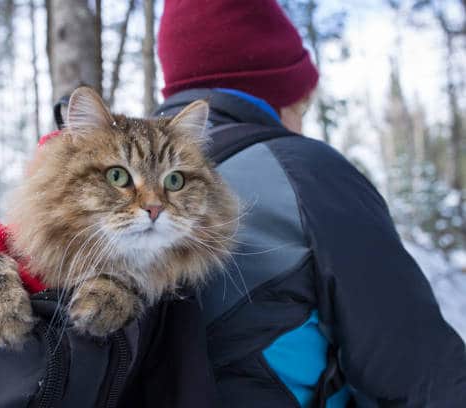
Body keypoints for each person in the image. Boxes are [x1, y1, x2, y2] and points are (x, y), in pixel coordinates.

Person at [152, 0, 466, 406]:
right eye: (302, 106)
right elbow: (421, 374)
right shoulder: (306, 174)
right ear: (274, 93)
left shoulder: (115, 178)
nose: (301, 122)